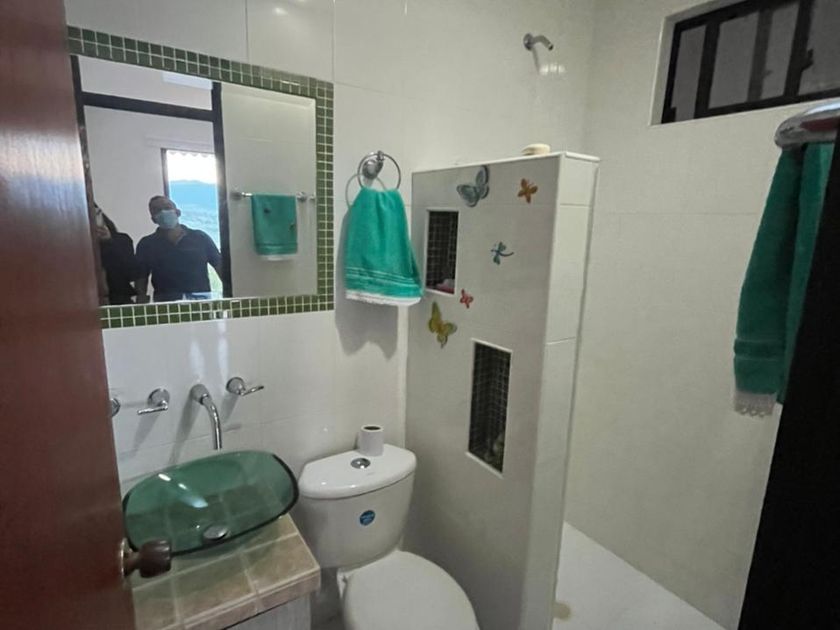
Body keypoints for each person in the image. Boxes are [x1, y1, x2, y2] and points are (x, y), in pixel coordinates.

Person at [135, 195, 222, 303]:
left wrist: (230, 293)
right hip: (165, 304)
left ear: (178, 212)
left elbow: (220, 266)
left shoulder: (200, 238)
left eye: (167, 207)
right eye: (157, 210)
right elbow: (141, 278)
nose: (163, 212)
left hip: (201, 302)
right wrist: (141, 302)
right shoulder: (146, 244)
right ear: (153, 219)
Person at [95, 204, 139, 305]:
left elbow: (132, 273)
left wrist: (108, 242)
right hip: (87, 300)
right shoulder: (77, 244)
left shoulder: (122, 240)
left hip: (120, 299)